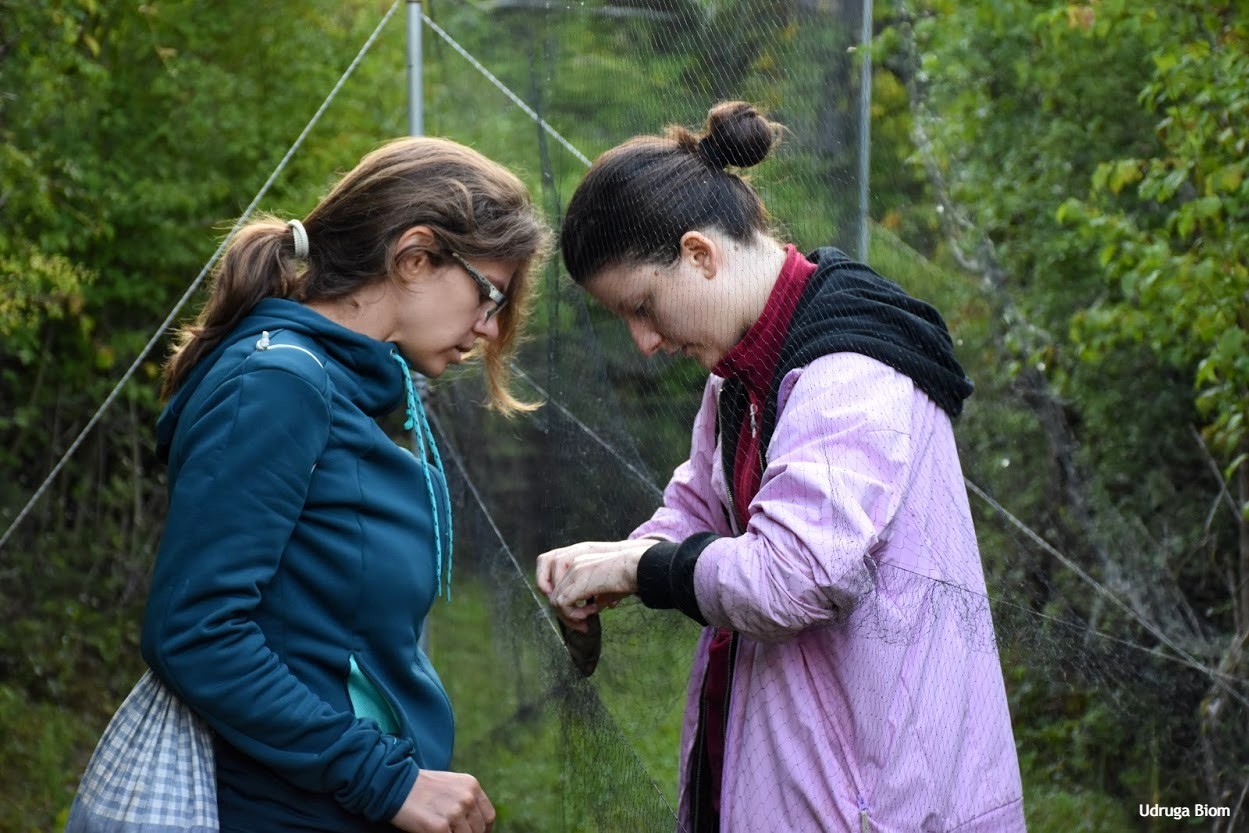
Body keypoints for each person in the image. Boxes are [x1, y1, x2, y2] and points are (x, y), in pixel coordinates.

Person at [536, 102, 1025, 832]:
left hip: (879, 796)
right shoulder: (740, 373)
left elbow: (790, 576)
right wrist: (617, 554)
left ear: (699, 255)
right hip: (796, 765)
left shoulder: (847, 374)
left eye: (642, 306)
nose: (643, 341)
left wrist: (642, 570)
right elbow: (699, 508)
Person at [142, 136, 549, 832]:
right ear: (414, 256)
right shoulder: (277, 384)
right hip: (287, 809)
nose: (487, 330)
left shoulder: (347, 386)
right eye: (489, 297)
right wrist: (386, 781)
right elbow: (196, 629)